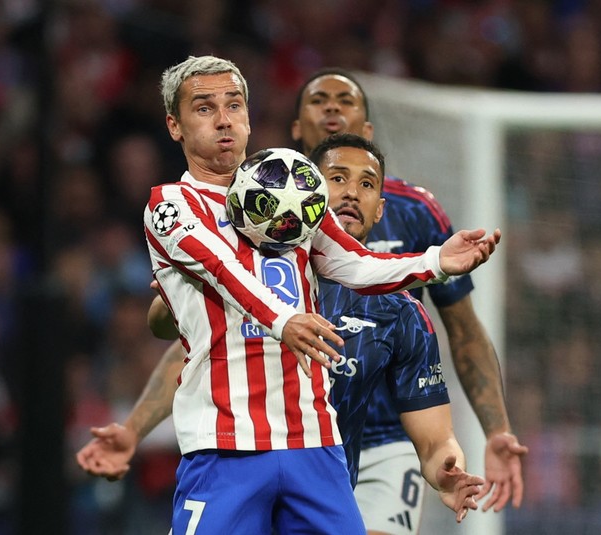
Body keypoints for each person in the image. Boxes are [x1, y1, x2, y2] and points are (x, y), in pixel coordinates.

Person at [78, 55, 499, 534]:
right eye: (204, 108)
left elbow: (355, 263)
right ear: (174, 125)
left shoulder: (291, 193)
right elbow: (222, 268)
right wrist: (285, 320)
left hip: (314, 443)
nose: (223, 120)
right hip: (225, 444)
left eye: (234, 105)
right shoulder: (170, 206)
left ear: (249, 116)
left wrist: (437, 262)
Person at [292, 68, 528, 534]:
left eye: (346, 99)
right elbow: (190, 332)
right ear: (295, 130)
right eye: (320, 100)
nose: (334, 108)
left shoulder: (409, 247)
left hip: (384, 439)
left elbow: (463, 330)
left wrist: (493, 432)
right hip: (266, 447)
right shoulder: (261, 237)